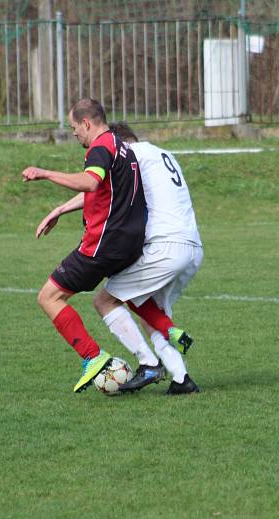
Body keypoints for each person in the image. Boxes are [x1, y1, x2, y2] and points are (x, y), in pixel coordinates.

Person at [23, 98, 146, 393]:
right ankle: (155, 356)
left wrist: (45, 173)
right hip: (130, 243)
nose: (74, 133)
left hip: (102, 245)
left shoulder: (100, 146)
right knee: (112, 298)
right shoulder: (121, 145)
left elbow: (90, 183)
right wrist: (59, 210)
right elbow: (105, 190)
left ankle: (94, 358)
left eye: (74, 127)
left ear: (87, 123)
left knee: (48, 297)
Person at [91, 121, 203, 395]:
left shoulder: (132, 157)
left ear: (120, 145)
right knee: (150, 310)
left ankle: (148, 363)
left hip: (165, 248)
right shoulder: (163, 154)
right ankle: (181, 379)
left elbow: (108, 197)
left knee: (105, 299)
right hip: (193, 248)